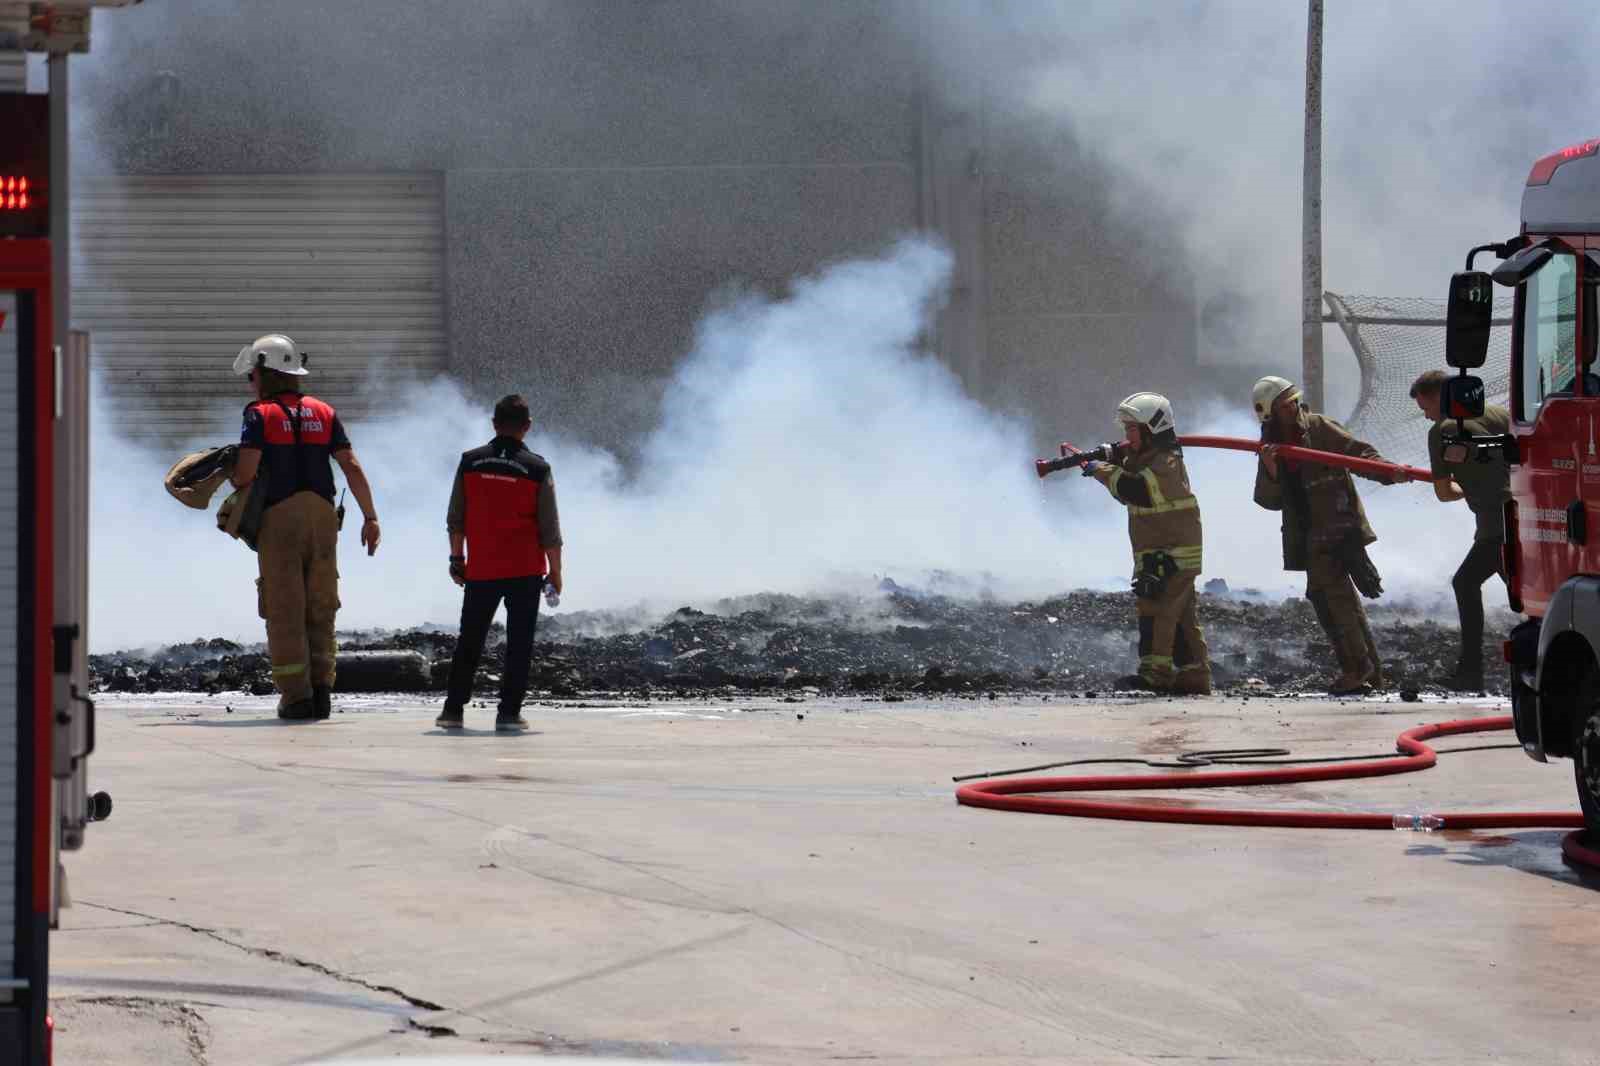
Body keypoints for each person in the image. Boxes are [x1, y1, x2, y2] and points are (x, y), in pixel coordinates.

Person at [228, 334, 381, 720]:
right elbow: (352, 467)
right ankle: (323, 692)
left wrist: (230, 477)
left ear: (267, 372)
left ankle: (296, 697)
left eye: (254, 375)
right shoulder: (325, 413)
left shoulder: (258, 414)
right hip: (324, 518)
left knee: (285, 608)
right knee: (321, 604)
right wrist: (370, 516)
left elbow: (245, 473)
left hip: (280, 518)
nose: (252, 383)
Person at [1251, 375, 1411, 695]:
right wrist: (1270, 468)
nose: (1293, 408)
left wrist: (1389, 471)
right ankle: (1371, 673)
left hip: (1339, 530)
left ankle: (1357, 668)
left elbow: (1357, 454)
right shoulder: (1270, 447)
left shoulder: (1320, 428)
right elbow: (1268, 500)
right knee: (1334, 600)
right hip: (1308, 536)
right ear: (1269, 414)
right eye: (1284, 406)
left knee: (1333, 600)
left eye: (1294, 401)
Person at [437, 394, 564, 732]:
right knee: (519, 644)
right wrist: (556, 571)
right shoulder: (538, 468)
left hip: (482, 570)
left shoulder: (470, 461)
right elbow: (549, 528)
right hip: (525, 571)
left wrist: (456, 557)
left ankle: (452, 711)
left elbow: (456, 518)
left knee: (470, 640)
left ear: (494, 424)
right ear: (528, 427)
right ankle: (508, 713)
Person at [1083, 392, 1212, 694]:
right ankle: (1194, 674)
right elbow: (1126, 488)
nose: (1126, 436)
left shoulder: (1166, 462)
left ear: (1151, 428)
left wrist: (1102, 470)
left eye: (1131, 429)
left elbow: (1136, 489)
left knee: (1158, 609)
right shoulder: (1146, 458)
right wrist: (1111, 459)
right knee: (1180, 616)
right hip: (1159, 550)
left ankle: (1155, 675)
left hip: (1173, 554)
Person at [1411, 369, 1512, 691]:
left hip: (1495, 524)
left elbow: (1444, 493)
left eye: (1425, 408)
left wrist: (1463, 486)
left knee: (1465, 583)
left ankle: (1471, 672)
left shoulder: (1443, 429)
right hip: (1525, 514)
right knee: (1524, 592)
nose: (1427, 417)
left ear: (1438, 397)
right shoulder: (1497, 413)